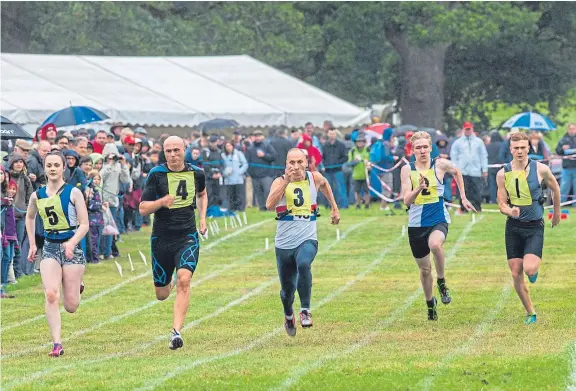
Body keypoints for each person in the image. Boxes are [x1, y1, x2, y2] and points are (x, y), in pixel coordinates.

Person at [139, 136, 208, 350]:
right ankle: (167, 283)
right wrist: (161, 202)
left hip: (187, 235)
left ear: (185, 150)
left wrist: (202, 219)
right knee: (161, 295)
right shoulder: (156, 174)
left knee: (184, 279)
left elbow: (202, 194)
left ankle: (176, 332)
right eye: (168, 151)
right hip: (161, 238)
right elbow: (142, 208)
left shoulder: (197, 173)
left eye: (176, 150)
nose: (172, 155)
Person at [401, 132, 475, 321]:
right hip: (416, 224)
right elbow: (406, 201)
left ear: (431, 148)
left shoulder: (440, 165)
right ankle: (430, 304)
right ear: (413, 150)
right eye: (418, 147)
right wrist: (418, 188)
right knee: (425, 270)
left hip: (438, 218)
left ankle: (441, 281)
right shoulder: (406, 170)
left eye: (425, 146)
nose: (423, 150)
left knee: (435, 245)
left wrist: (463, 197)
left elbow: (457, 171)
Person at [266, 148, 340, 336]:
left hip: (307, 238)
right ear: (286, 164)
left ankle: (305, 310)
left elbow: (325, 185)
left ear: (306, 162)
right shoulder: (279, 181)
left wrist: (334, 208)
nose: (296, 167)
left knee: (304, 264)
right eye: (292, 163)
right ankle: (288, 314)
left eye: (300, 162)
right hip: (284, 244)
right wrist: (286, 183)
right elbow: (269, 205)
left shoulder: (314, 178)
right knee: (286, 292)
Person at [25, 152, 89, 357]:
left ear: (63, 168)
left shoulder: (73, 193)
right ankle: (57, 344)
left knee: (71, 306)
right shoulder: (37, 195)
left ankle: (77, 285)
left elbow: (85, 225)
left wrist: (71, 243)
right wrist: (33, 244)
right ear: (44, 168)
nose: (52, 168)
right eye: (49, 165)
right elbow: (29, 217)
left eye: (56, 165)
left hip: (72, 247)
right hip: (51, 247)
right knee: (51, 294)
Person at [496, 132, 561, 325]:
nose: (520, 151)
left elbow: (555, 188)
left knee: (529, 269)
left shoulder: (540, 169)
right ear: (510, 150)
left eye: (523, 147)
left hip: (534, 227)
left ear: (528, 148)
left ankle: (533, 272)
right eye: (516, 148)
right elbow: (501, 203)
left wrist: (556, 213)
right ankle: (530, 311)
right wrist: (510, 211)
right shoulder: (503, 173)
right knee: (516, 271)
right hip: (514, 227)